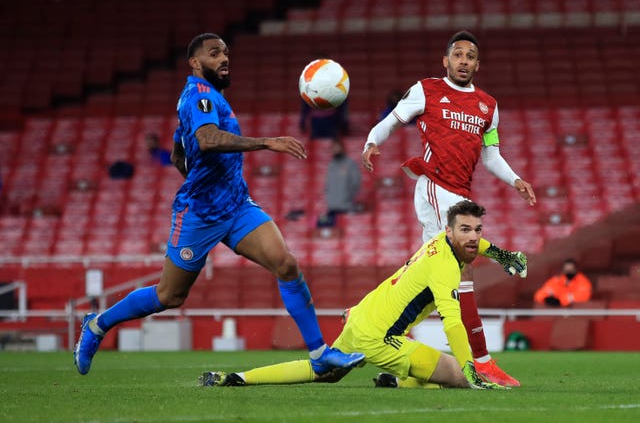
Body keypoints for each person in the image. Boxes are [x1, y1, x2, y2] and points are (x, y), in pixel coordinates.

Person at [73, 33, 364, 375]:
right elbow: (208, 140)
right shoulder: (200, 96)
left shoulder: (208, 97)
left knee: (286, 264)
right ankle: (97, 325)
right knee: (170, 296)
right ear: (195, 63)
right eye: (214, 54)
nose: (224, 59)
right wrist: (267, 142)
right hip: (199, 212)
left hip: (236, 205)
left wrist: (194, 164)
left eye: (226, 52)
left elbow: (178, 153)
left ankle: (319, 353)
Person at [361, 30, 536, 387]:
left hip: (460, 193)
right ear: (446, 60)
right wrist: (371, 142)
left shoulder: (488, 106)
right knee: (462, 268)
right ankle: (483, 363)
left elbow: (491, 154)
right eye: (457, 55)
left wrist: (515, 179)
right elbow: (394, 120)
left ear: (477, 64)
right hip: (435, 188)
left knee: (435, 278)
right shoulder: (427, 90)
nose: (463, 61)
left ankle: (404, 365)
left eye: (470, 56)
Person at [199, 201, 521, 389]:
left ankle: (236, 378)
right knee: (460, 377)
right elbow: (452, 323)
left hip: (361, 316)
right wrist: (469, 367)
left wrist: (503, 255)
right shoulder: (446, 267)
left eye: (478, 229)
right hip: (381, 338)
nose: (474, 237)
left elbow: (475, 244)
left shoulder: (443, 239)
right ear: (449, 230)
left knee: (325, 372)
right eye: (466, 229)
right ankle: (400, 380)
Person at [320, 139, 361, 225]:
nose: (335, 150)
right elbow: (328, 185)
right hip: (332, 208)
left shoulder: (350, 164)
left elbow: (356, 183)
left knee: (347, 233)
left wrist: (347, 198)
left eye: (337, 147)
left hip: (346, 207)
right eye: (333, 148)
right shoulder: (331, 165)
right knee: (322, 224)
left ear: (342, 148)